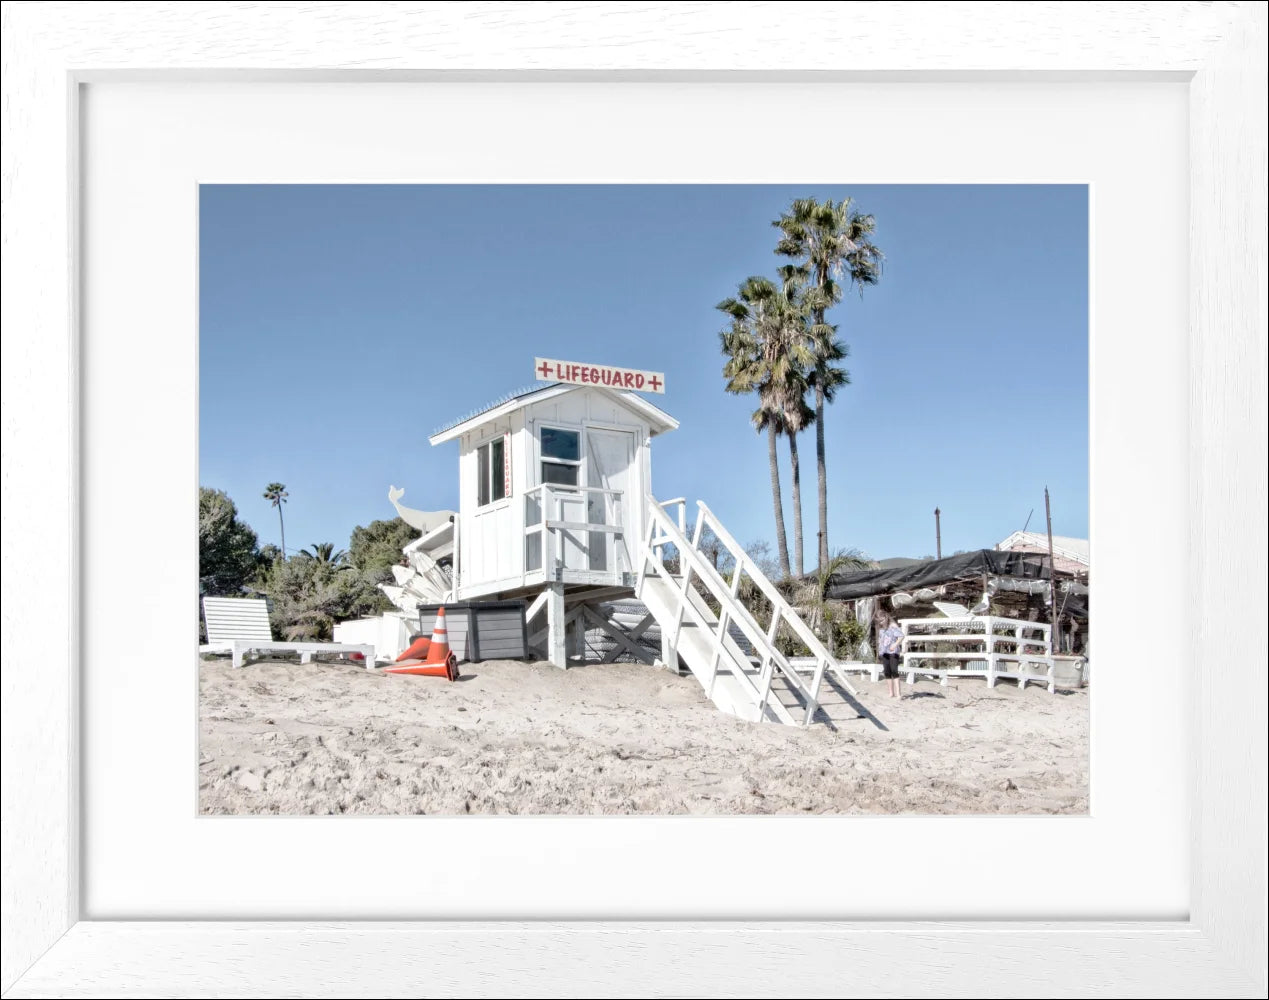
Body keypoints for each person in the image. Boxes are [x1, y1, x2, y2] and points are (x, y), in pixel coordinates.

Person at [878, 614, 904, 698]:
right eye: (879, 621)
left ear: (886, 617)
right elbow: (881, 639)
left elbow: (901, 636)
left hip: (893, 652)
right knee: (887, 672)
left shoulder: (893, 626)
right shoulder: (881, 628)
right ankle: (891, 693)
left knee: (894, 671)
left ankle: (898, 694)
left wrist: (895, 645)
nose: (881, 622)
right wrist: (880, 650)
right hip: (884, 652)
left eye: (882, 620)